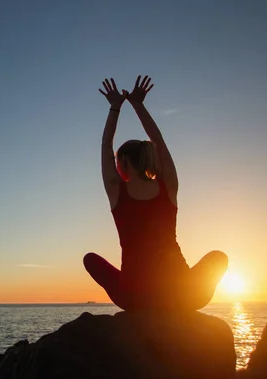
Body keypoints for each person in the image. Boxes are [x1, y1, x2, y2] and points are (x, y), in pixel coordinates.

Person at [84, 75, 228, 311]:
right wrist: (138, 105)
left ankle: (145, 297)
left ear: (121, 164)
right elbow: (158, 142)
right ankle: (177, 301)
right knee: (219, 257)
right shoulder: (168, 186)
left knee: (90, 259)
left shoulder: (116, 189)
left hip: (135, 298)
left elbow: (105, 145)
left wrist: (115, 106)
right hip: (184, 296)